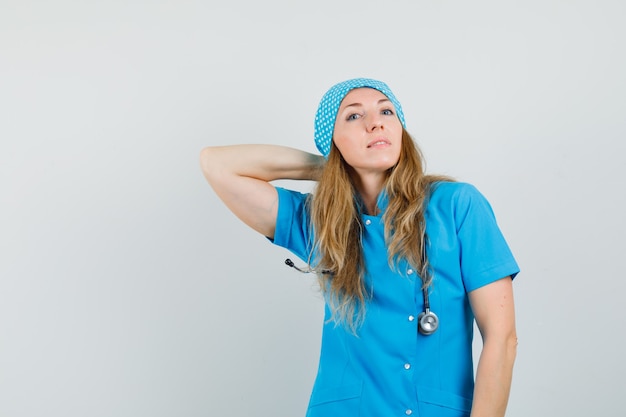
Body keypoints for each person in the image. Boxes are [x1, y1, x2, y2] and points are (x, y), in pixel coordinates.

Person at [200, 78, 520, 417]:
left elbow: (502, 339)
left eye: (386, 111)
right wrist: (334, 167)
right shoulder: (322, 223)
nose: (376, 122)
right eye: (354, 116)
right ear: (333, 141)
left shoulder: (456, 206)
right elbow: (216, 164)